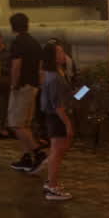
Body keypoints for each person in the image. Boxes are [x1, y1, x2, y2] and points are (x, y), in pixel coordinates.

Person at [6, 13, 45, 173]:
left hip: (22, 86)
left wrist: (14, 85)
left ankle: (38, 152)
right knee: (25, 123)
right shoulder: (34, 42)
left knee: (16, 124)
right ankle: (26, 157)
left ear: (12, 26)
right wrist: (39, 84)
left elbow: (16, 66)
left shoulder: (18, 43)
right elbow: (40, 66)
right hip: (33, 86)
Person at [39, 40, 76, 201]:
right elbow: (58, 106)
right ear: (52, 57)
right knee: (57, 151)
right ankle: (52, 187)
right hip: (57, 117)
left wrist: (84, 91)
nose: (63, 55)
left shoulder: (59, 72)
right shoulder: (54, 77)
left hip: (57, 115)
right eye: (59, 52)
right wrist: (68, 124)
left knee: (58, 151)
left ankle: (51, 182)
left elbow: (68, 97)